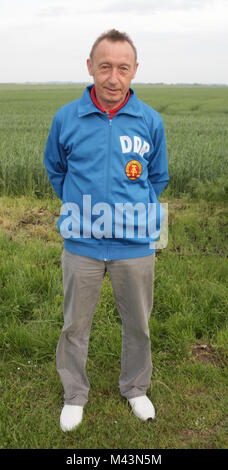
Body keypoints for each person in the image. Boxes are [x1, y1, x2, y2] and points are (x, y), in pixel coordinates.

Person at [44, 29, 169, 432]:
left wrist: (130, 213)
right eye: (105, 67)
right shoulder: (67, 117)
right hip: (81, 242)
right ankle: (74, 394)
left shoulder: (150, 121)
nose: (113, 77)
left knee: (138, 323)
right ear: (90, 68)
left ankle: (135, 388)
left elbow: (157, 178)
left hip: (135, 244)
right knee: (74, 325)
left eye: (122, 68)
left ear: (134, 71)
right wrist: (86, 212)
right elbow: (56, 169)